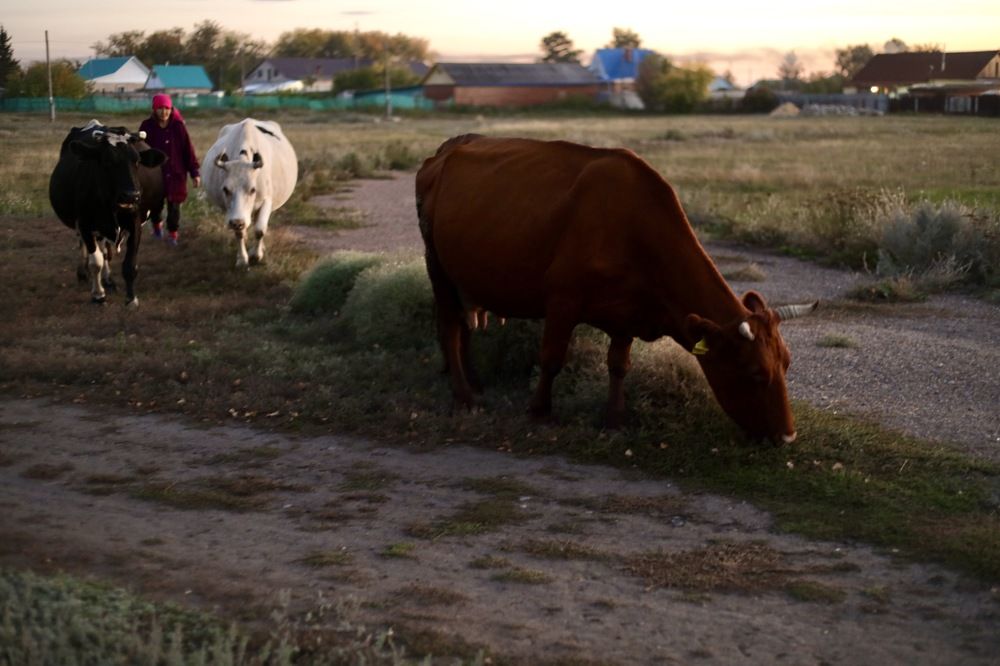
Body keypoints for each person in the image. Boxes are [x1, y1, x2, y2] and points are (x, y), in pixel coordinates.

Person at [139, 94, 201, 245]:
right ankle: (157, 227)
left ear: (171, 109)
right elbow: (140, 149)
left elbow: (188, 150)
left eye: (166, 108)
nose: (164, 112)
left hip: (175, 174)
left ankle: (173, 234)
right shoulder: (147, 126)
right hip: (154, 175)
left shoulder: (178, 127)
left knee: (174, 207)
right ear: (154, 109)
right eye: (160, 108)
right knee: (155, 204)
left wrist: (194, 173)